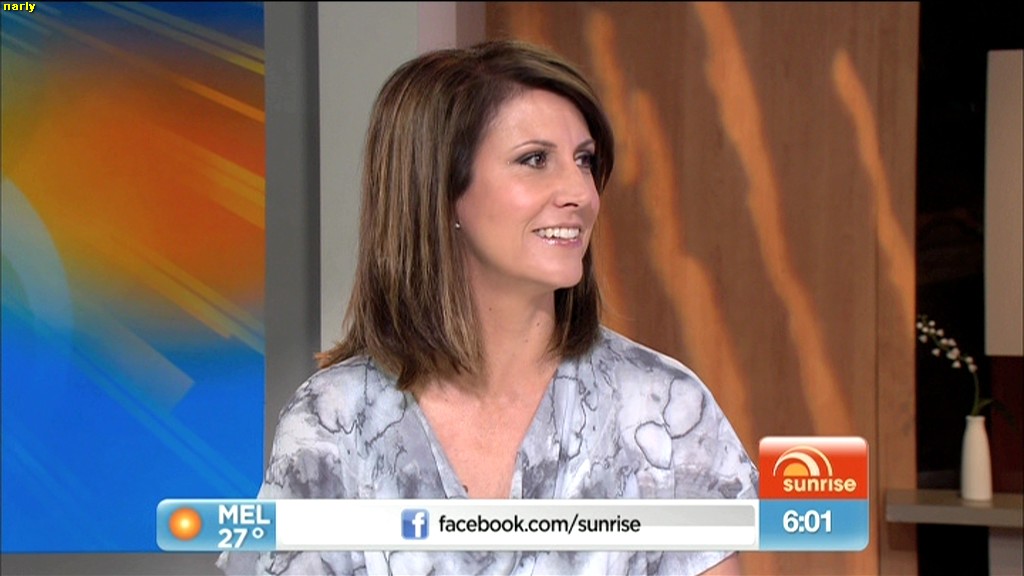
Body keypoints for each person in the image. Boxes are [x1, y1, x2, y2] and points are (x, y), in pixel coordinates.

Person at [218, 39, 757, 576]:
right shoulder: (333, 422)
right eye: (535, 160)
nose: (581, 192)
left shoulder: (663, 408)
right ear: (441, 189)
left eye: (585, 160)